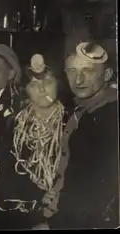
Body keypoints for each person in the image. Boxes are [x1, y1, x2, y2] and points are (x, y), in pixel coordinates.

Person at [36, 41, 118, 229]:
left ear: (106, 75)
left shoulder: (107, 118)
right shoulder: (84, 108)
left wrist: (54, 225)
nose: (78, 80)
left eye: (88, 71)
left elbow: (95, 194)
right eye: (71, 71)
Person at [0, 54, 70, 229]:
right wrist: (38, 195)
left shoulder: (71, 121)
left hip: (60, 206)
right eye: (34, 84)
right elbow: (5, 172)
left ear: (58, 85)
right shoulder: (13, 124)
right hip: (20, 205)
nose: (41, 90)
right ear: (25, 91)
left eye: (48, 83)